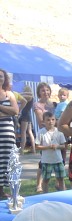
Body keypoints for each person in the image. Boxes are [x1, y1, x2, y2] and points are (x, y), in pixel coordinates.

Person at [35, 112, 67, 193]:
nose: (51, 122)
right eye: (48, 120)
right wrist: (48, 147)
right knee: (45, 180)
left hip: (58, 160)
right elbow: (37, 146)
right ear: (43, 121)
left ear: (55, 121)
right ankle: (45, 196)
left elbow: (63, 146)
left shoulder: (59, 132)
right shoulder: (41, 132)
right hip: (46, 161)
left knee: (61, 179)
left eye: (53, 119)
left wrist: (57, 146)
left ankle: (63, 195)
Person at [0, 69, 18, 199]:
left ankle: (4, 192)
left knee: (7, 161)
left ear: (4, 79)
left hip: (7, 134)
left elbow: (15, 111)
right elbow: (10, 111)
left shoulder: (9, 94)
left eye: (1, 76)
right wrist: (7, 112)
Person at [18, 85, 35, 155]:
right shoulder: (31, 97)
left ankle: (21, 149)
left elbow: (20, 96)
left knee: (23, 133)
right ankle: (33, 149)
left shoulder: (28, 96)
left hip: (25, 115)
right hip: (29, 115)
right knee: (30, 132)